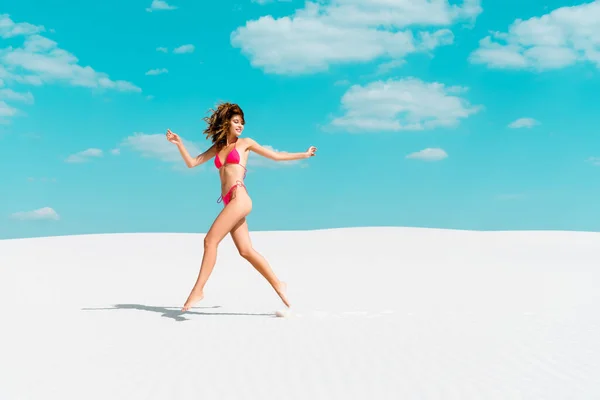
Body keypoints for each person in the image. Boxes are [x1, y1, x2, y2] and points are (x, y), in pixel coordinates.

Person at [166, 102, 317, 312]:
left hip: (240, 197)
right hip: (230, 201)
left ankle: (198, 290)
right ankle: (278, 283)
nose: (240, 126)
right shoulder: (218, 147)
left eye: (242, 123)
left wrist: (304, 154)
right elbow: (192, 162)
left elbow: (275, 156)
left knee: (210, 240)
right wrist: (179, 143)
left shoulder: (245, 143)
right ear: (226, 122)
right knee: (245, 251)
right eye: (236, 121)